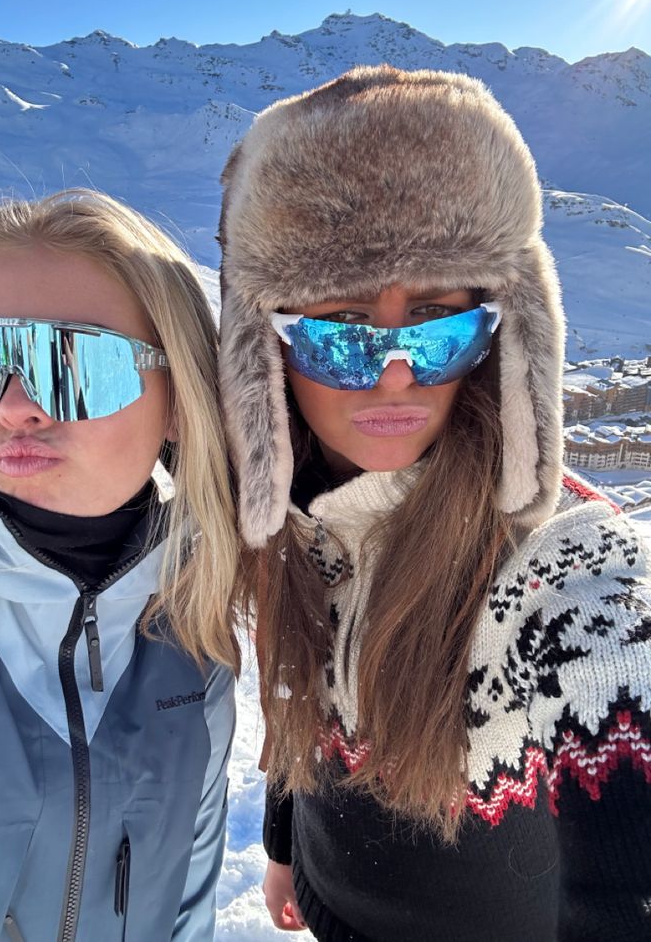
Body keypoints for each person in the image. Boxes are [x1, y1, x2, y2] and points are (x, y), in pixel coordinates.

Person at [218, 66, 651, 942]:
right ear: (265, 351)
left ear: (503, 334)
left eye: (440, 325)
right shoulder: (295, 526)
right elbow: (301, 681)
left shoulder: (570, 577)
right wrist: (282, 842)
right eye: (339, 332)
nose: (395, 373)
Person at [0, 190, 239, 942]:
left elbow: (185, 907)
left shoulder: (193, 655)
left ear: (180, 399)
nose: (17, 405)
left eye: (72, 361)